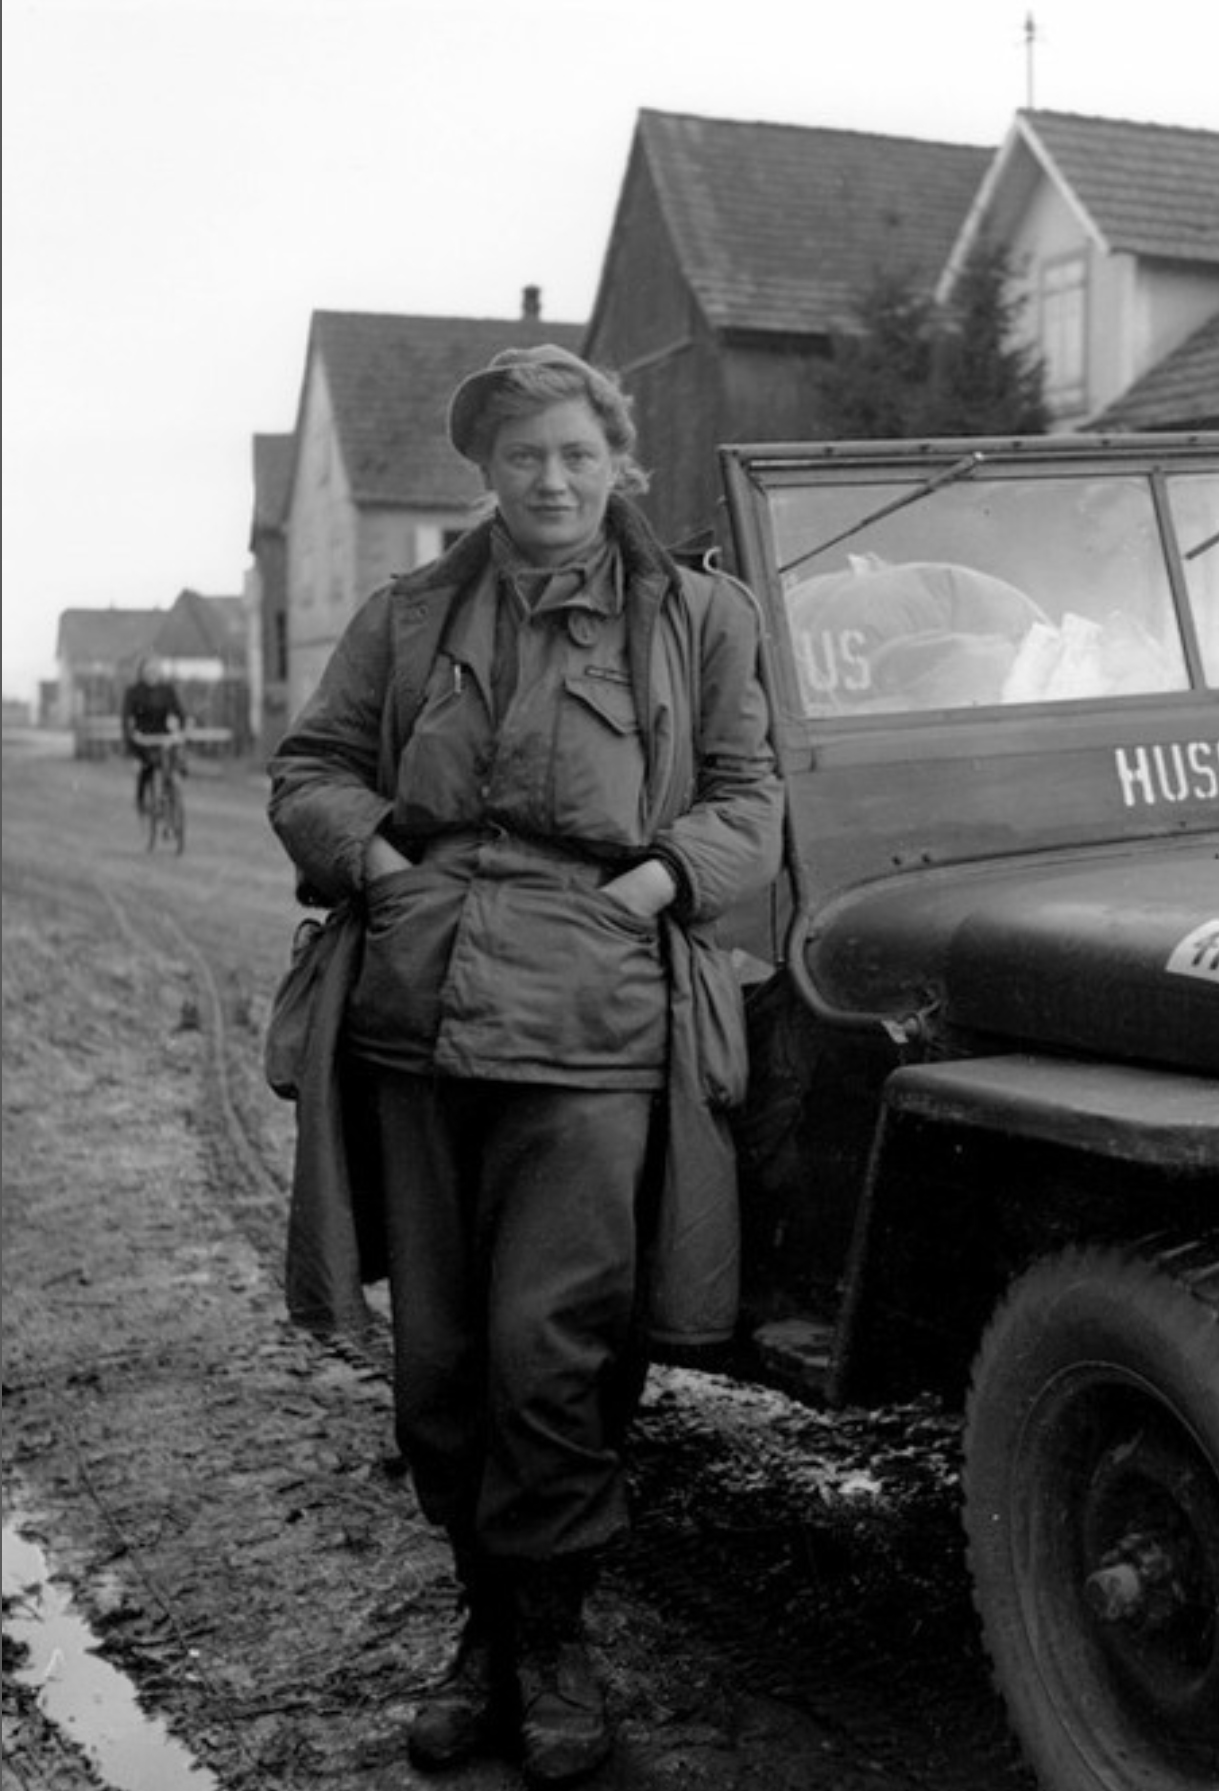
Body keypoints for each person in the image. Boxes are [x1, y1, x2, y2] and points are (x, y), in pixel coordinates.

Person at [267, 345, 783, 1786]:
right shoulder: (409, 613)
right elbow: (310, 769)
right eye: (521, 458)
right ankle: (484, 1634)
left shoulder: (700, 616)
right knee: (436, 1362)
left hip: (596, 1030)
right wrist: (383, 866)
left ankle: (553, 1639)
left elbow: (750, 798)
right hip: (418, 1019)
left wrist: (650, 886)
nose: (551, 481)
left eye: (575, 454)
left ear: (619, 460)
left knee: (551, 1352)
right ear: (484, 473)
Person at [121, 655, 187, 813]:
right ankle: (142, 800)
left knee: (173, 758)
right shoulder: (134, 692)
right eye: (149, 671)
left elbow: (179, 712)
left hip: (163, 733)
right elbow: (126, 717)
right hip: (143, 736)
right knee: (147, 767)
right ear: (142, 672)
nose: (152, 674)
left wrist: (181, 728)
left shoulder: (167, 691)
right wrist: (130, 735)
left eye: (155, 670)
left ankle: (172, 790)